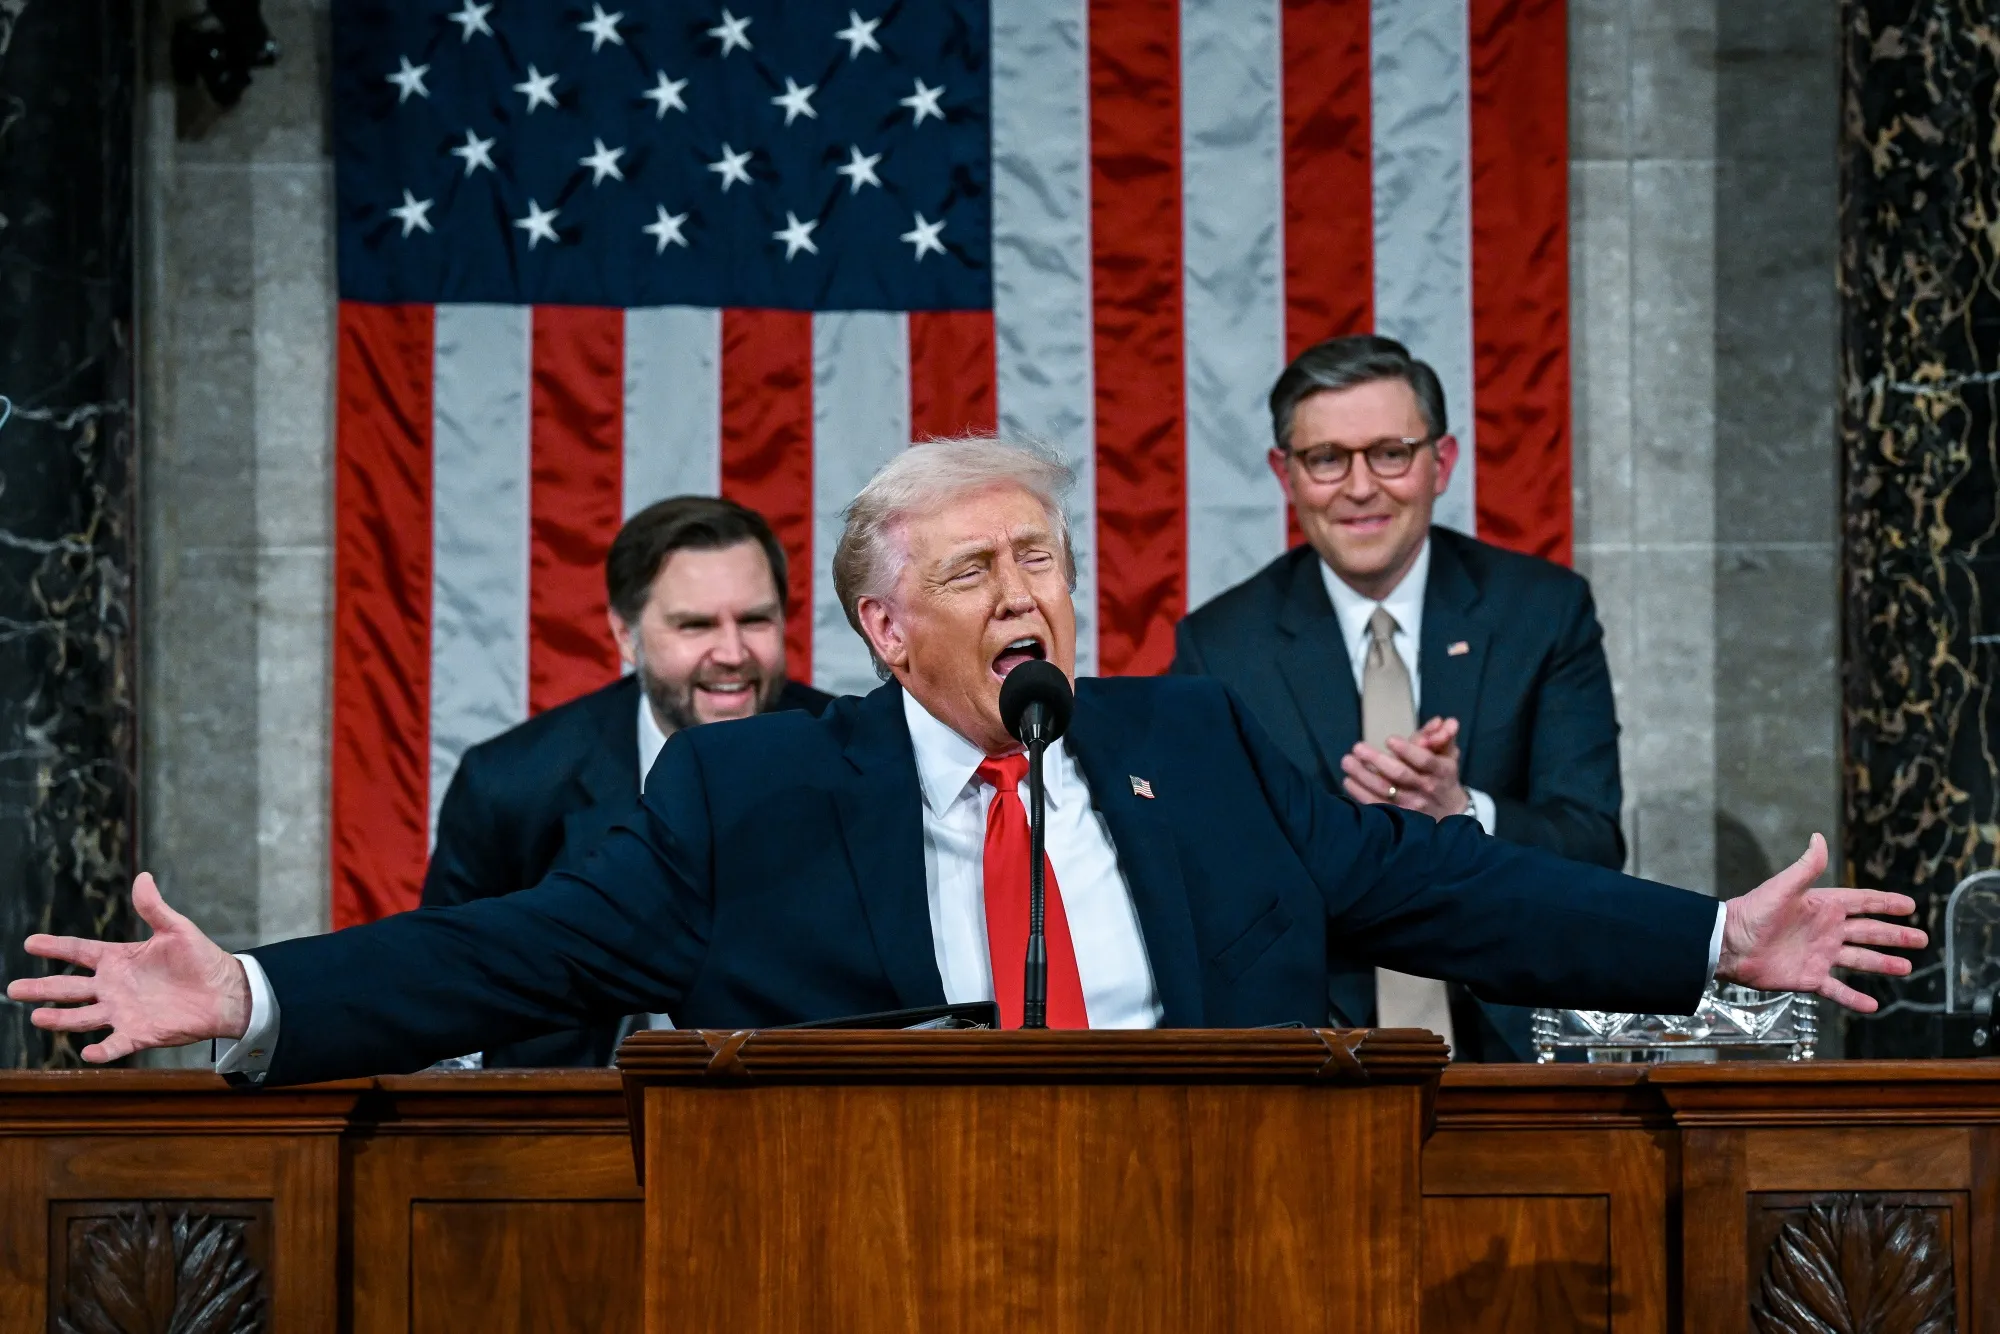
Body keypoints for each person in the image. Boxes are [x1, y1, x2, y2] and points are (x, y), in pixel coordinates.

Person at [8, 439, 1922, 1086]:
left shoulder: (1196, 739)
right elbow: (510, 951)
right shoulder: (754, 793)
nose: (1030, 594)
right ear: (881, 626)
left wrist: (1703, 939)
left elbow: (1446, 888)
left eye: (1047, 559)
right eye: (979, 568)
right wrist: (254, 987)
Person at [1174, 335, 1617, 1062]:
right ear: (1284, 474)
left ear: (1441, 462)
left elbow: (1594, 845)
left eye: (1390, 453)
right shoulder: (1219, 647)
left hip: (1517, 1044)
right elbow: (1205, 882)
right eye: (1327, 459)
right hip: (1312, 1051)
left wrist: (1462, 813)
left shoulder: (1542, 613)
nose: (1359, 487)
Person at [423, 495, 832, 1067]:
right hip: (572, 1124)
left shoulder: (857, 758)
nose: (733, 653)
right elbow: (446, 992)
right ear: (625, 634)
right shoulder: (510, 785)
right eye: (695, 625)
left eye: (755, 620)